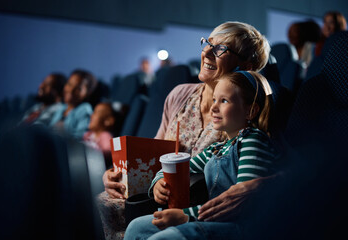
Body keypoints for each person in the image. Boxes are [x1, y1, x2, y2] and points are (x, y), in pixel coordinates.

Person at [98, 21, 270, 240]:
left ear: (245, 67)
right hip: (162, 194)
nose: (207, 52)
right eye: (207, 44)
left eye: (220, 49)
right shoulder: (179, 94)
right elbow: (151, 159)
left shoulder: (244, 119)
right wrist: (118, 176)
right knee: (102, 200)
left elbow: (285, 167)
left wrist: (259, 184)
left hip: (199, 206)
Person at [124, 71, 279, 239]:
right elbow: (179, 166)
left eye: (224, 101)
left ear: (251, 111)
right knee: (136, 227)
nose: (213, 107)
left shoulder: (252, 140)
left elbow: (240, 205)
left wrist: (185, 215)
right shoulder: (217, 148)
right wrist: (159, 181)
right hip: (210, 220)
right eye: (214, 99)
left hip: (241, 226)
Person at [49, 69, 97, 139]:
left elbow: (79, 138)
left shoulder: (85, 109)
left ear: (87, 93)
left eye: (78, 89)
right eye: (69, 84)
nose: (71, 90)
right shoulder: (62, 108)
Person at [83, 102, 116, 168]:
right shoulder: (87, 135)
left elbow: (108, 151)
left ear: (107, 121)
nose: (91, 115)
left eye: (96, 113)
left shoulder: (105, 135)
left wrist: (90, 152)